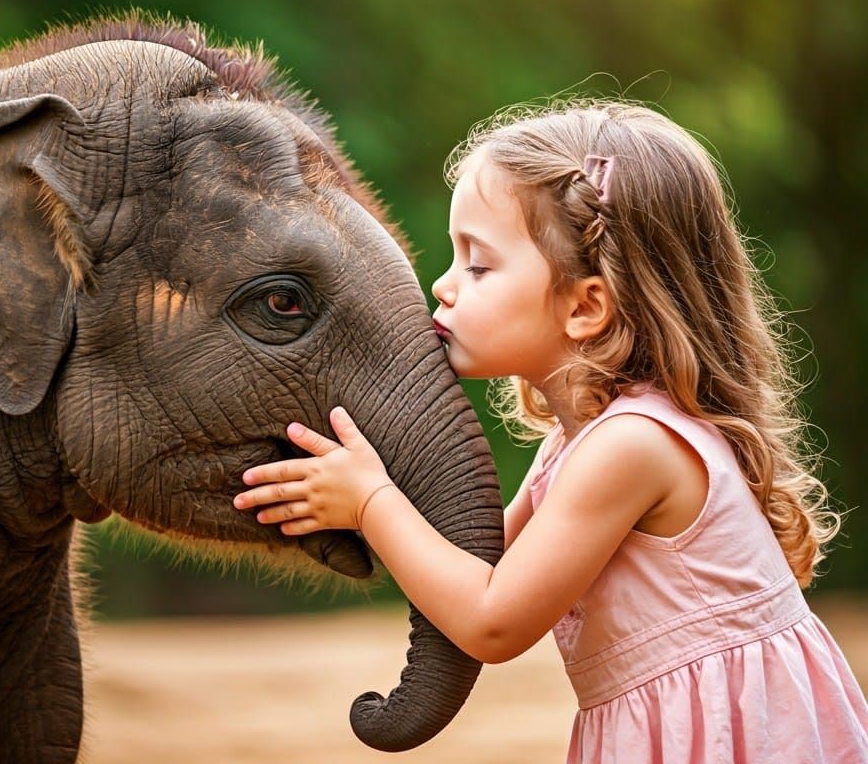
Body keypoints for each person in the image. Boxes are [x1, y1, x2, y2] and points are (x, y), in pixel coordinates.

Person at [233, 99, 868, 763]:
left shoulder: (632, 448)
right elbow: (479, 561)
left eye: (477, 265)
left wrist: (370, 502)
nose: (443, 286)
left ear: (586, 305)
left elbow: (493, 619)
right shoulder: (579, 444)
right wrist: (365, 490)